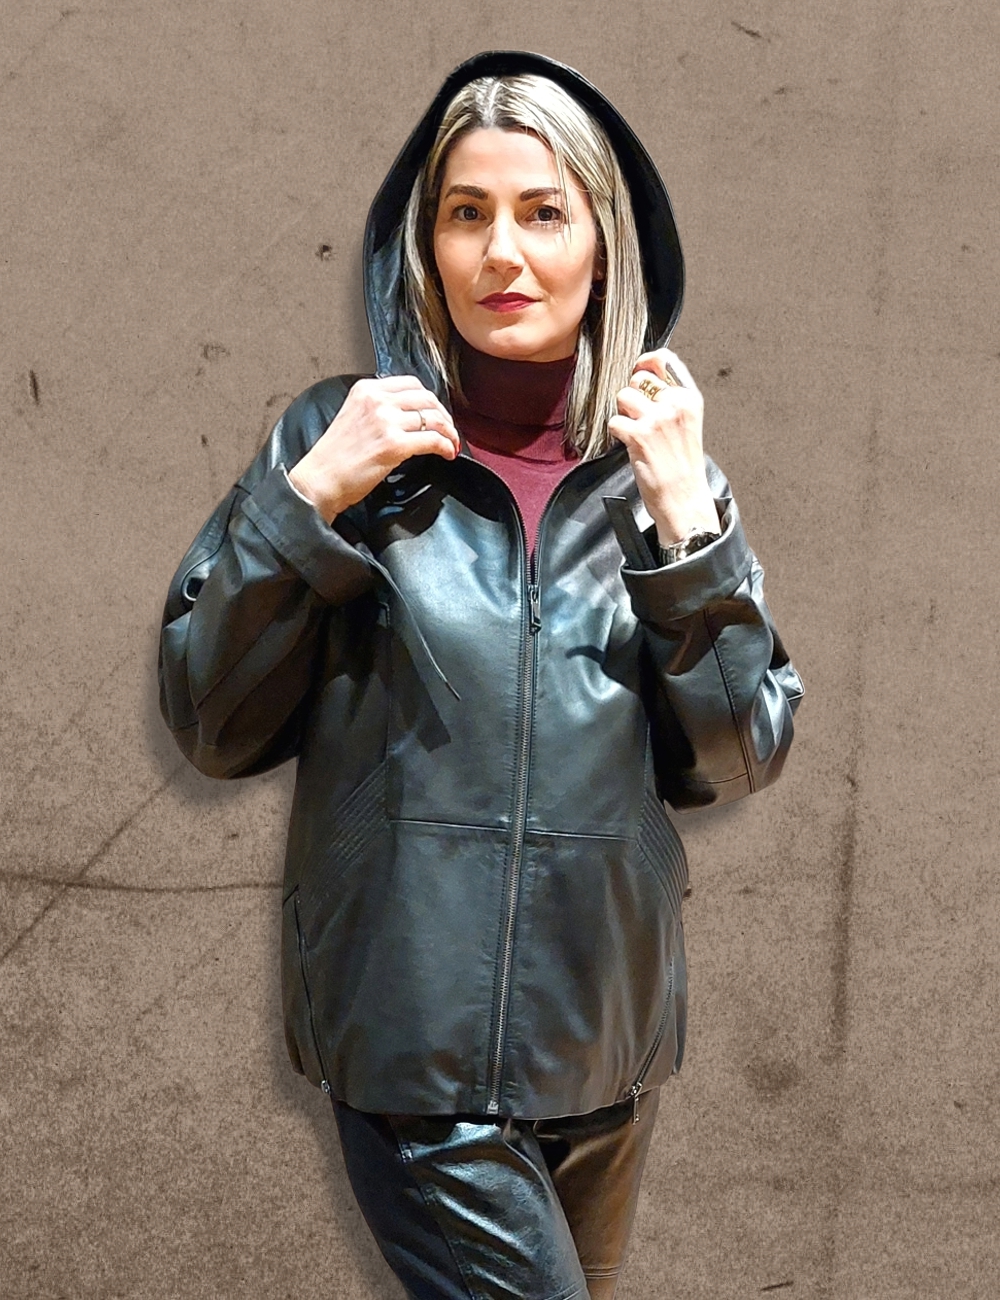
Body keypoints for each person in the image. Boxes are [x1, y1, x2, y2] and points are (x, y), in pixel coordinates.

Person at [159, 50, 803, 1300]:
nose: (501, 252)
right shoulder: (342, 443)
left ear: (604, 245)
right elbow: (213, 721)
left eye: (542, 212)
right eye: (467, 213)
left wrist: (689, 528)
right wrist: (305, 503)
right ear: (427, 244)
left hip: (604, 1047)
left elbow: (734, 754)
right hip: (414, 1047)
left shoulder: (665, 477)